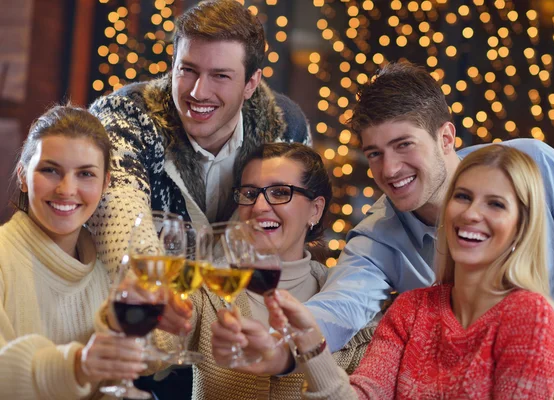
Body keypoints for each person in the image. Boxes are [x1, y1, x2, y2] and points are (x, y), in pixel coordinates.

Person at [214, 61, 554, 398]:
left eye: (404, 145)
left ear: (446, 137)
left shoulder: (528, 167)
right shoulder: (380, 243)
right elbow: (338, 308)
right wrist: (281, 348)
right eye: (375, 154)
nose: (390, 170)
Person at [214, 145, 554, 398]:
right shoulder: (411, 310)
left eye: (495, 204)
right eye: (462, 197)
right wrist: (309, 346)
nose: (471, 214)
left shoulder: (531, 317)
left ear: (522, 226)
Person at [95, 142, 376, 399]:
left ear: (315, 210)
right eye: (250, 194)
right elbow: (150, 353)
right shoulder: (209, 287)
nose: (259, 207)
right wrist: (127, 315)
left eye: (280, 193)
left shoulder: (353, 307)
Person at [88, 0, 311, 276]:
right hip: (137, 304)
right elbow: (119, 218)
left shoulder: (287, 127)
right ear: (173, 65)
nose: (198, 92)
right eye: (188, 70)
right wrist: (156, 296)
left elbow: (291, 238)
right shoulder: (126, 115)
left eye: (220, 76)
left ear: (251, 83)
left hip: (243, 307)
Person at [0, 105, 148, 399]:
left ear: (106, 183)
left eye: (85, 174)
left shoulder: (110, 269)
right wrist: (77, 366)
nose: (67, 190)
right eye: (50, 170)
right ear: (22, 176)